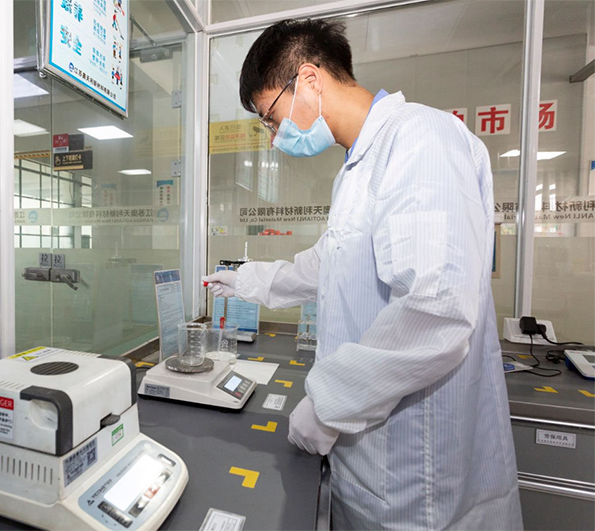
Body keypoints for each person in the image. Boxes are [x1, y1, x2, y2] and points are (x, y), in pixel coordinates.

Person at [203, 18, 523, 530]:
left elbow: (436, 307)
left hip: (417, 477)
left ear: (309, 80)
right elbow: (327, 265)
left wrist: (327, 405)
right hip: (370, 465)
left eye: (270, 118)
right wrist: (245, 281)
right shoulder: (357, 169)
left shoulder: (421, 139)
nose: (274, 138)